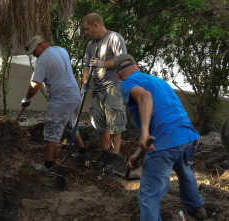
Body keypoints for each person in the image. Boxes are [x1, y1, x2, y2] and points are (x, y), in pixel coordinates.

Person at [114, 54, 206, 220]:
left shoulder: (127, 83)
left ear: (117, 75)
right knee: (184, 171)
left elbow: (145, 97)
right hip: (187, 137)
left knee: (148, 195)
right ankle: (197, 208)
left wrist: (144, 133)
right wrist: (135, 155)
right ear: (138, 66)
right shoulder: (157, 81)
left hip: (166, 144)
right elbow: (159, 123)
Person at [21, 35, 86, 175]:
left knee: (51, 133)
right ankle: (83, 152)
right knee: (71, 126)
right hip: (74, 96)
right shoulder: (61, 50)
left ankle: (48, 165)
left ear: (40, 45)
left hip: (60, 101)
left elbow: (35, 84)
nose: (34, 55)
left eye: (34, 51)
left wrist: (27, 98)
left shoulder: (43, 61)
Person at [76, 13, 127, 173]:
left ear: (96, 25)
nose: (86, 32)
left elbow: (122, 61)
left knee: (114, 122)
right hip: (97, 89)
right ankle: (106, 152)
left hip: (113, 86)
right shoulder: (91, 45)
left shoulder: (114, 38)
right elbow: (86, 66)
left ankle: (116, 155)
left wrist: (102, 64)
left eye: (87, 29)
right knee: (99, 123)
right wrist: (84, 83)